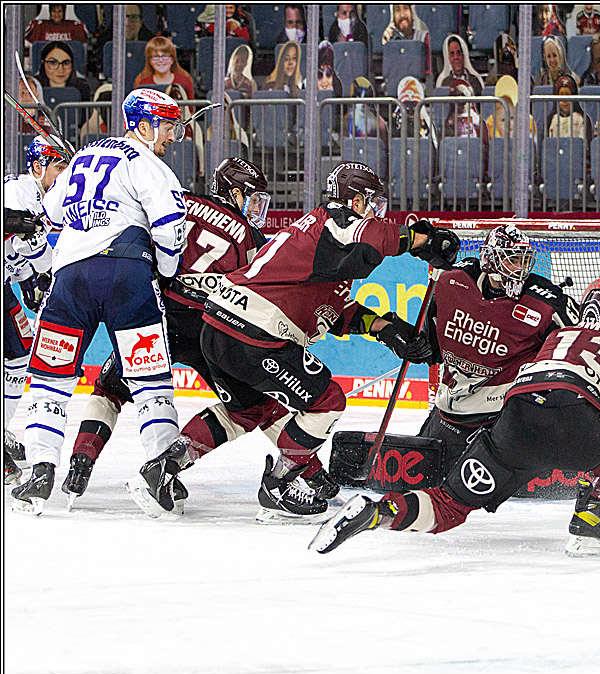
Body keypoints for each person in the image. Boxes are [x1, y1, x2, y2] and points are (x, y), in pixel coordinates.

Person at [125, 163, 460, 522]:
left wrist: (387, 328)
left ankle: (163, 468)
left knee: (245, 411)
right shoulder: (334, 221)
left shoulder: (324, 248)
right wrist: (421, 240)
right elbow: (373, 235)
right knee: (327, 401)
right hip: (255, 332)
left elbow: (334, 311)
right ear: (355, 201)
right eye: (372, 202)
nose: (377, 211)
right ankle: (280, 483)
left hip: (220, 324)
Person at [311, 288, 600, 557]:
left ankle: (378, 513)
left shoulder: (556, 336)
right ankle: (590, 509)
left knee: (449, 504)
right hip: (581, 427)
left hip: (516, 421)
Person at [59, 158, 284, 507]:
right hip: (211, 329)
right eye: (252, 198)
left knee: (108, 389)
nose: (255, 208)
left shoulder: (181, 202)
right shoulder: (251, 236)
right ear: (235, 193)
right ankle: (303, 468)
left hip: (157, 316)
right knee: (255, 404)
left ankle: (80, 462)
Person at [10, 89, 188, 515]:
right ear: (143, 125)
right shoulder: (149, 164)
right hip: (127, 277)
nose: (172, 136)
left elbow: (52, 212)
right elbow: (170, 225)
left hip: (70, 280)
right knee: (150, 383)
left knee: (50, 381)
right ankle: (162, 476)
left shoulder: (84, 157)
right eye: (167, 126)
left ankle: (40, 470)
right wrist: (165, 273)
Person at [333, 224, 578, 484]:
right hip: (451, 409)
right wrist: (409, 342)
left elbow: (580, 342)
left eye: (524, 261)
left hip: (503, 415)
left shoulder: (546, 301)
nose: (521, 269)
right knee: (425, 482)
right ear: (491, 260)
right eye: (513, 260)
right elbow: (432, 349)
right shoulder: (452, 280)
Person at [2, 137, 68, 486]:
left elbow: (17, 250)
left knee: (19, 355)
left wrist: (29, 278)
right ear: (38, 167)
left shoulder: (42, 198)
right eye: (59, 167)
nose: (64, 175)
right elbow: (26, 241)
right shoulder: (19, 189)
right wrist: (47, 269)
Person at [486, 75, 536, 139]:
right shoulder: (492, 137)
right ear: (495, 123)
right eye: (503, 120)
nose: (508, 123)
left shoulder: (528, 133)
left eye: (512, 118)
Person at [546, 74, 593, 139]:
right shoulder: (550, 120)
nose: (565, 100)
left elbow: (587, 143)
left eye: (568, 95)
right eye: (561, 95)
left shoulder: (583, 119)